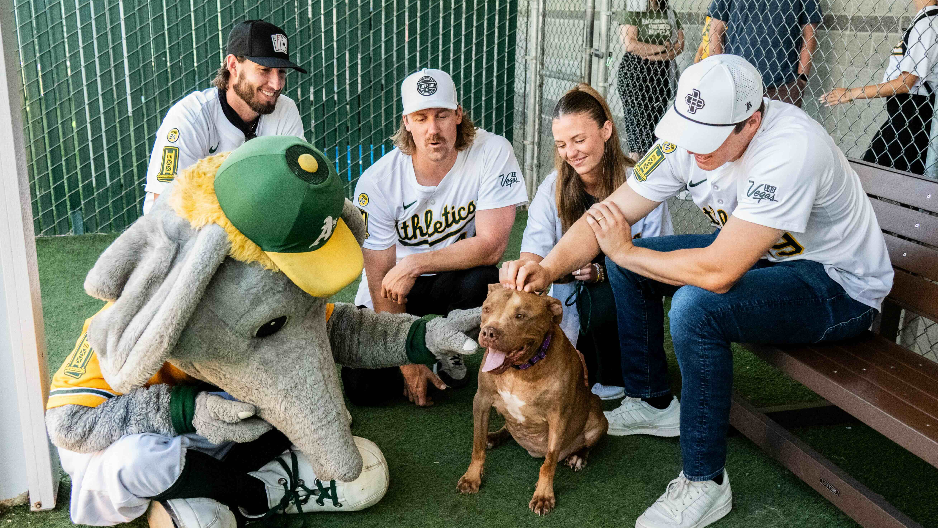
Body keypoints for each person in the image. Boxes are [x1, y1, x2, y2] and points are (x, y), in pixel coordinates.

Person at [500, 55, 893, 528]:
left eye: (710, 136)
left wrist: (624, 253)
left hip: (836, 284)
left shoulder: (793, 147)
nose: (695, 149)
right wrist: (546, 268)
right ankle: (652, 402)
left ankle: (705, 482)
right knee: (632, 261)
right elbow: (610, 215)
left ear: (752, 121)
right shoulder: (684, 139)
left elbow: (720, 272)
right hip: (766, 253)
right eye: (691, 131)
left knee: (695, 305)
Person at [345, 68, 528, 407]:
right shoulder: (378, 181)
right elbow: (379, 278)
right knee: (365, 389)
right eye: (421, 117)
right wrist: (406, 359)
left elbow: (491, 246)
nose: (433, 129)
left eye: (442, 115)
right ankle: (424, 351)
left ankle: (448, 351)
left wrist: (415, 262)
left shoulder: (491, 151)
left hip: (452, 278)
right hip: (394, 288)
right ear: (407, 122)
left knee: (485, 281)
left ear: (459, 115)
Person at [521, 84, 672, 401]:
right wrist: (523, 271)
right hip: (567, 293)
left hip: (627, 288)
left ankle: (620, 375)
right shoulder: (554, 187)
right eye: (562, 144)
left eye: (579, 140)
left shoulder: (640, 182)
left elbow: (659, 255)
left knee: (606, 292)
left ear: (606, 130)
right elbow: (532, 253)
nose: (570, 152)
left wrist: (603, 271)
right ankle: (575, 360)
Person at [142, 19, 306, 214]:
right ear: (233, 66)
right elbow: (164, 207)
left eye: (281, 72)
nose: (276, 84)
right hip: (184, 231)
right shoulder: (190, 116)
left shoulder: (285, 110)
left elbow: (298, 188)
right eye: (265, 70)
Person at [820, 0, 938, 175]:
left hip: (913, 117)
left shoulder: (928, 22)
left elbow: (905, 82)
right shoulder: (925, 20)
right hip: (905, 115)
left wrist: (850, 93)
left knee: (871, 174)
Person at [707, 0, 821, 107]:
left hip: (783, 84)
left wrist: (801, 79)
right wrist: (720, 73)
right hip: (736, 82)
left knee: (780, 128)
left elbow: (809, 34)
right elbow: (716, 30)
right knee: (738, 127)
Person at [617, 0, 685, 159]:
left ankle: (651, 173)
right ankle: (636, 171)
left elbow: (680, 44)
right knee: (638, 131)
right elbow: (631, 44)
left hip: (661, 73)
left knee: (657, 129)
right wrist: (663, 48)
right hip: (635, 73)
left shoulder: (669, 13)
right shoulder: (634, 10)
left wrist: (656, 55)